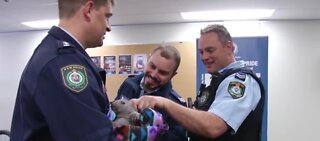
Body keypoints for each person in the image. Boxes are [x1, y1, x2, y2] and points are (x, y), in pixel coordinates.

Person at [131, 24, 265, 141]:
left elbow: (213, 127)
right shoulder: (217, 81)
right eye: (201, 52)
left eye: (210, 50)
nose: (204, 57)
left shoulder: (241, 82)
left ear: (229, 47)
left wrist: (164, 103)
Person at [9, 0, 120, 141]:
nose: (109, 27)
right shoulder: (62, 63)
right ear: (89, 9)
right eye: (107, 17)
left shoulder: (60, 55)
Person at [115, 45, 188, 141]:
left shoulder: (176, 104)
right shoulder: (128, 84)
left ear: (172, 75)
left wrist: (157, 132)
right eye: (152, 66)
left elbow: (179, 138)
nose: (153, 74)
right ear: (148, 60)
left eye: (162, 73)